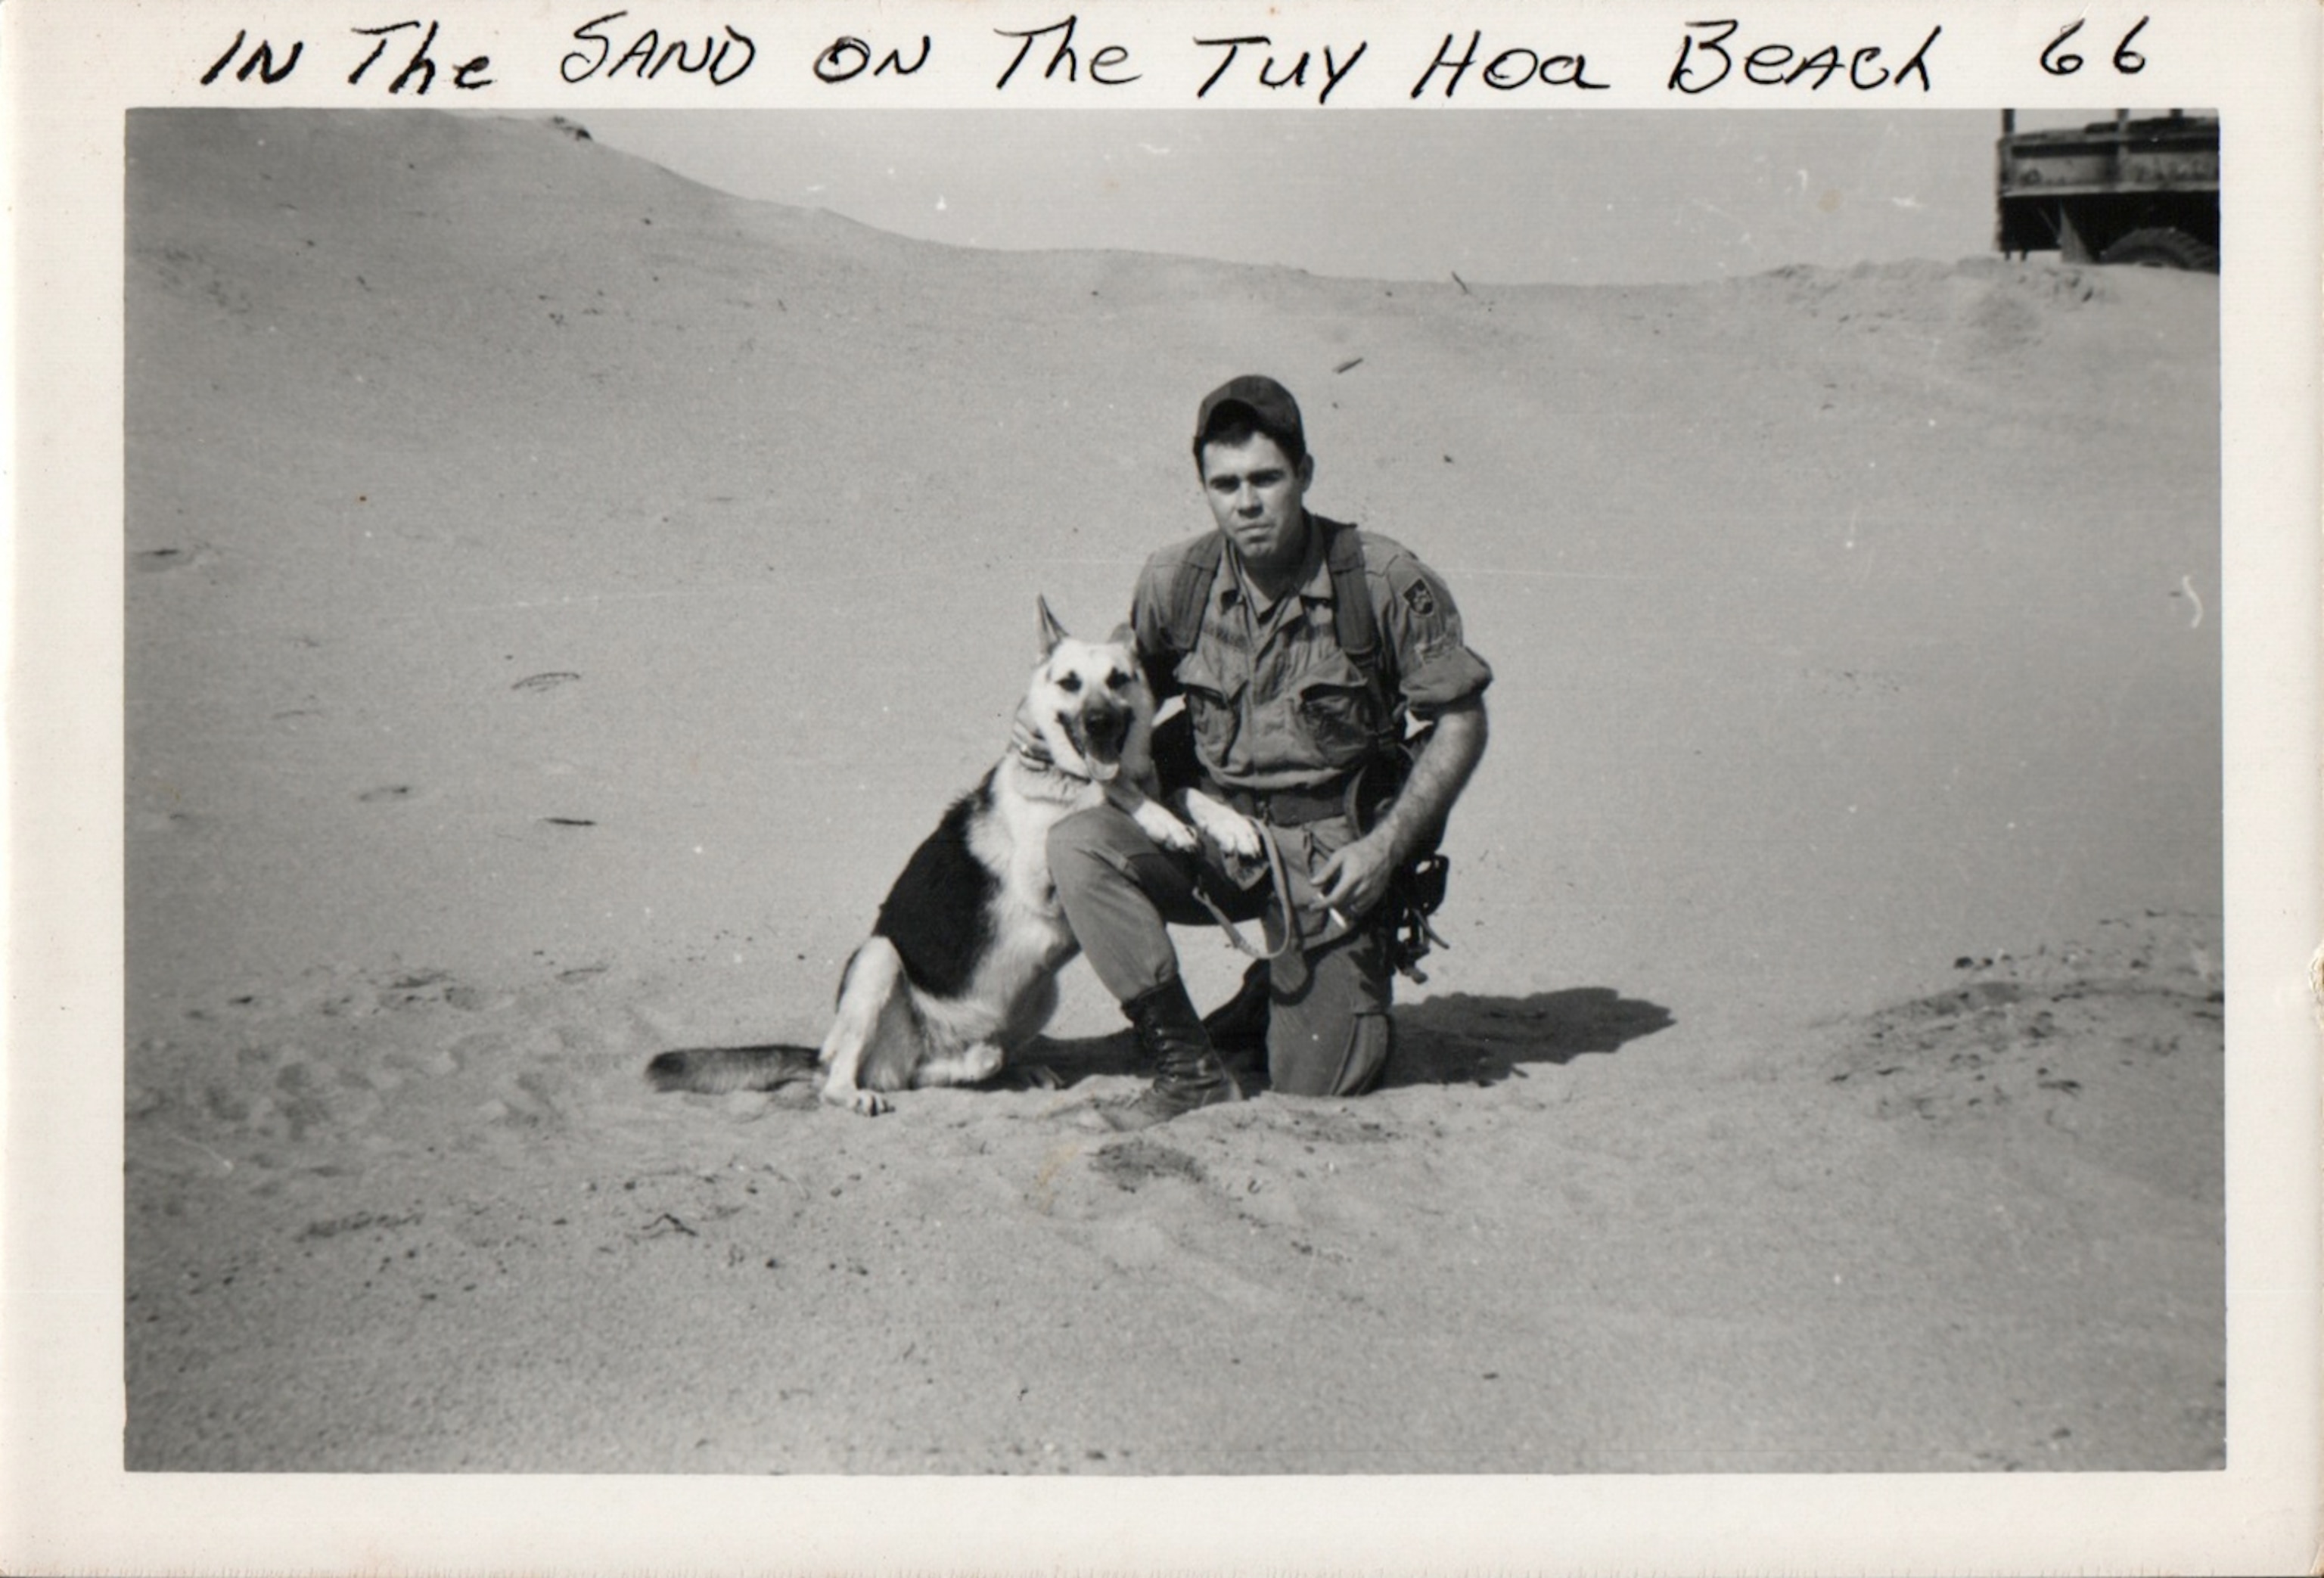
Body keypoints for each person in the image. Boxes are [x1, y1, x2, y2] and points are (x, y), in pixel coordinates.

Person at [1048, 374, 1493, 1129]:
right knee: (1080, 846)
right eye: (1225, 484)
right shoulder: (1173, 582)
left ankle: (1283, 987)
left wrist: (1385, 850)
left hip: (1331, 860)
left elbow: (1461, 718)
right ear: (1205, 489)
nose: (1246, 502)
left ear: (1305, 474)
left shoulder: (1380, 580)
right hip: (1212, 836)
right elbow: (1120, 697)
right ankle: (1186, 1065)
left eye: (1266, 478)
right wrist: (1048, 725)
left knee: (1316, 1085)